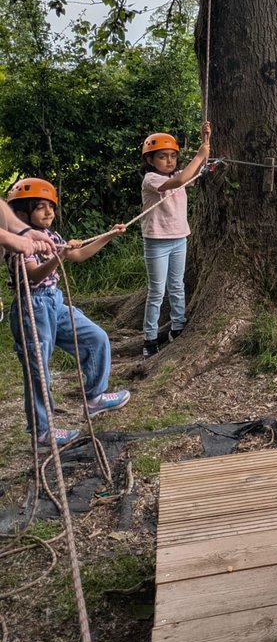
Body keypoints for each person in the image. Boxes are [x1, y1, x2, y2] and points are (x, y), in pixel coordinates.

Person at [6, 177, 130, 447]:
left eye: (50, 206)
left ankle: (94, 398)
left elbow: (79, 255)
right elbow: (34, 275)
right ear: (22, 213)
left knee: (96, 338)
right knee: (38, 370)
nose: (48, 212)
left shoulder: (51, 236)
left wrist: (108, 235)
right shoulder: (18, 242)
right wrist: (58, 257)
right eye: (40, 207)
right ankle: (42, 430)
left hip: (55, 302)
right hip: (33, 307)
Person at [141, 122, 211, 358]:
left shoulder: (178, 175)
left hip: (180, 238)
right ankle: (150, 338)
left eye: (173, 156)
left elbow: (194, 172)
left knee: (177, 285)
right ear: (150, 160)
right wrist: (199, 154)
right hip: (157, 241)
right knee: (157, 291)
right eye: (162, 157)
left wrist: (205, 140)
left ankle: (178, 327)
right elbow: (180, 181)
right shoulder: (151, 179)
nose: (169, 161)